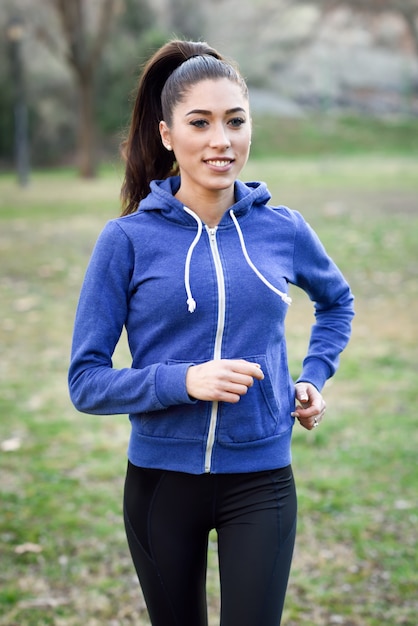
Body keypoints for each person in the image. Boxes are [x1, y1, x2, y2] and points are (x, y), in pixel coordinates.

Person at [68, 39, 354, 626]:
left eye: (235, 121)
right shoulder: (126, 241)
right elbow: (86, 382)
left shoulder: (283, 229)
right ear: (168, 134)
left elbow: (337, 303)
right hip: (161, 485)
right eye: (200, 123)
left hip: (263, 479)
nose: (221, 140)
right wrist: (185, 381)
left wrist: (311, 377)